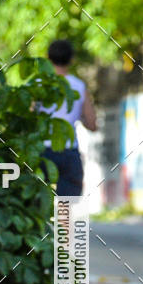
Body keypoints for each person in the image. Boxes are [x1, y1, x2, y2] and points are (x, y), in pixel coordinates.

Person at [42, 39, 97, 196]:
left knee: (36, 206)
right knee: (69, 210)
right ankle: (65, 221)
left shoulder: (38, 83)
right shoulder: (79, 86)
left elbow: (28, 116)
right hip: (68, 151)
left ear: (48, 57)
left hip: (41, 151)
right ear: (71, 59)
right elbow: (92, 124)